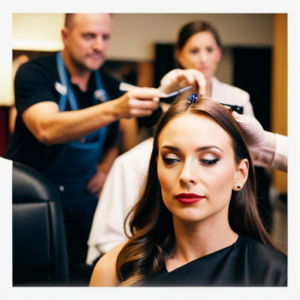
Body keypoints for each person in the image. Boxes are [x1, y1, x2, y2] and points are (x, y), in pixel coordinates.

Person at [4, 13, 163, 281]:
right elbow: (46, 128)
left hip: (84, 202)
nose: (99, 45)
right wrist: (116, 108)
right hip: (28, 203)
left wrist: (106, 164)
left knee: (79, 277)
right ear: (65, 36)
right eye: (89, 36)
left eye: (105, 37)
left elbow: (139, 124)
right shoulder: (34, 73)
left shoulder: (111, 85)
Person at [86, 20, 257, 264]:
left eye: (208, 159)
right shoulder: (165, 106)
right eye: (171, 159)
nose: (203, 59)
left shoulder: (238, 99)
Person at [89, 96, 287, 287]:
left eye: (208, 160)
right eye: (171, 159)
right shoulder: (115, 270)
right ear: (156, 167)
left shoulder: (276, 276)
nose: (186, 175)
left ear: (240, 174)